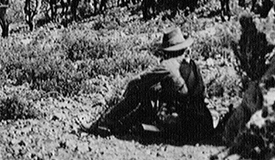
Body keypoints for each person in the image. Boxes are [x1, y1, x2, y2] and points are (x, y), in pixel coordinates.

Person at [85, 27, 214, 143]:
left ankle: (104, 123)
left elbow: (138, 81)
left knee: (140, 92)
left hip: (184, 125)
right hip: (203, 122)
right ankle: (120, 126)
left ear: (167, 51)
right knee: (154, 93)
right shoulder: (193, 65)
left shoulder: (167, 66)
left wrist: (127, 93)